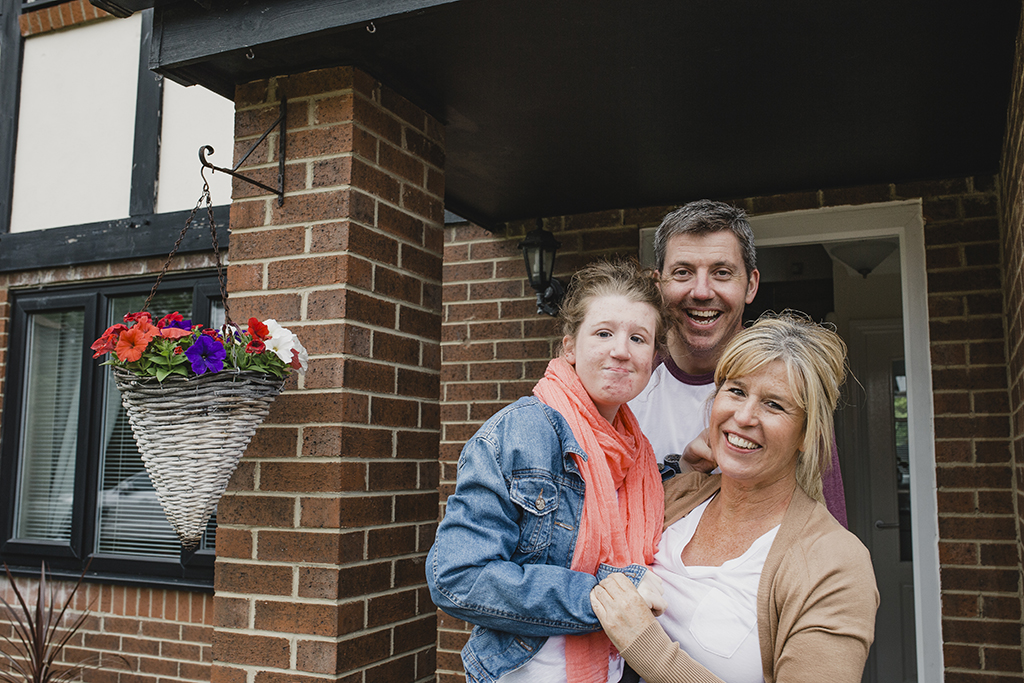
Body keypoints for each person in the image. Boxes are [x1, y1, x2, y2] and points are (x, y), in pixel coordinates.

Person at [591, 313, 878, 683]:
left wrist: (645, 645)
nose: (743, 416)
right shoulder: (677, 496)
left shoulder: (834, 565)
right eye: (736, 391)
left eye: (774, 404)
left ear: (808, 434)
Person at [427, 259, 670, 683]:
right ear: (569, 347)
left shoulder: (639, 456)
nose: (621, 350)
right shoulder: (522, 432)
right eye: (603, 333)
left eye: (638, 338)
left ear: (652, 358)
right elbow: (457, 577)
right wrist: (605, 597)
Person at [628, 200, 847, 525]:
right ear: (660, 285)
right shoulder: (623, 380)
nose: (701, 292)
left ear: (751, 285)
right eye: (683, 272)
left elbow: (826, 525)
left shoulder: (789, 389)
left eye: (722, 273)